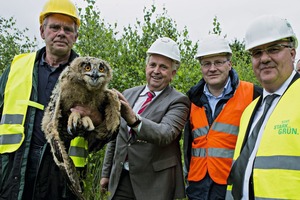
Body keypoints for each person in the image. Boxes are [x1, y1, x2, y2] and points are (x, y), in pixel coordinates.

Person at [0, 0, 103, 199]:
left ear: (75, 36)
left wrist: (95, 117)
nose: (61, 33)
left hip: (62, 177)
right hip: (15, 169)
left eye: (68, 29)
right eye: (55, 27)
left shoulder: (90, 75)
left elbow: (106, 133)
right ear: (42, 31)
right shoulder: (17, 66)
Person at [100, 37, 189, 200]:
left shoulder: (178, 101)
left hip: (154, 185)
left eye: (163, 67)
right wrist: (106, 173)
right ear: (146, 66)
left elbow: (165, 134)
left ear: (173, 73)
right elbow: (115, 136)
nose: (156, 71)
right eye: (153, 65)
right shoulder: (128, 94)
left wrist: (134, 120)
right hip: (122, 180)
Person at [227, 15, 300, 199]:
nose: (265, 58)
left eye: (274, 49)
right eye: (257, 53)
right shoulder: (250, 111)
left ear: (292, 53)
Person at [183, 34, 262, 200]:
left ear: (229, 64)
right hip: (198, 185)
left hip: (231, 184)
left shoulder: (253, 94)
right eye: (206, 64)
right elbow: (188, 144)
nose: (212, 68)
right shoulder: (192, 99)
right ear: (201, 67)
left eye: (218, 62)